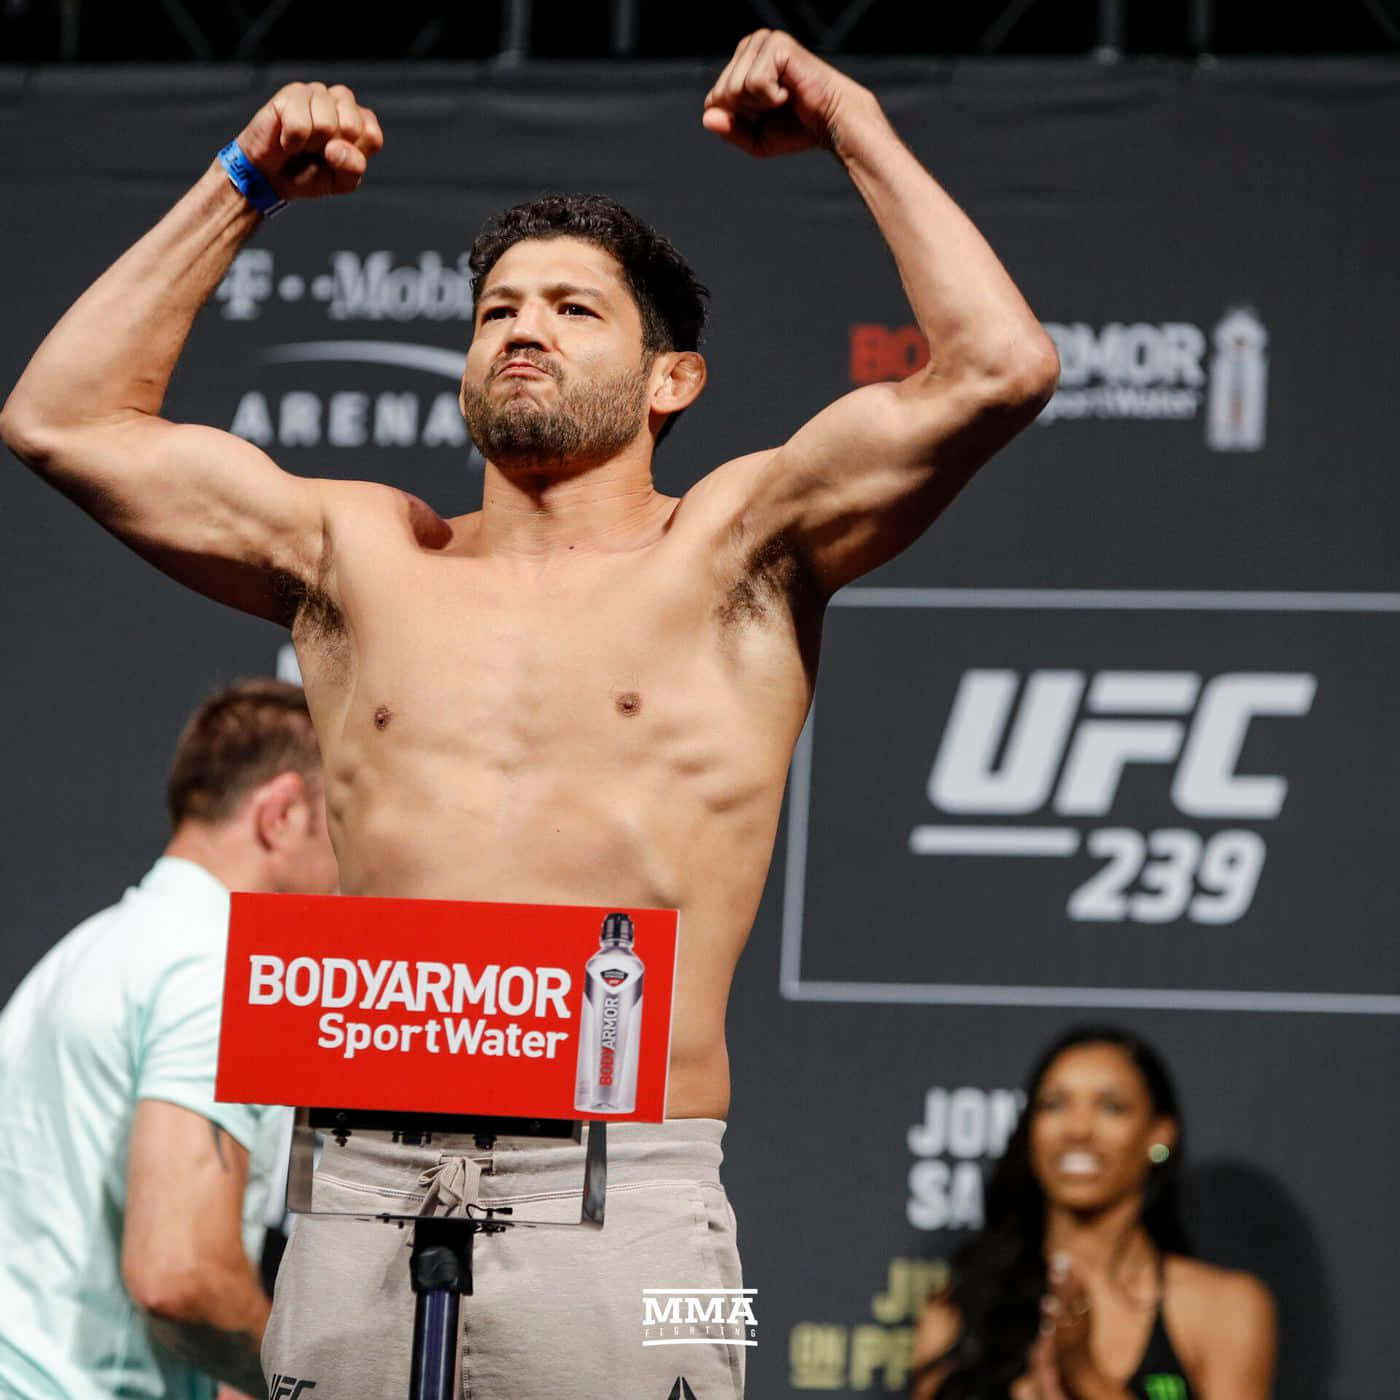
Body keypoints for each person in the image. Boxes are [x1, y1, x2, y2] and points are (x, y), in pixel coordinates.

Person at [0, 28, 1060, 1400]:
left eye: (574, 308)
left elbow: (1000, 368)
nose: (522, 327)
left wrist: (854, 120)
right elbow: (58, 419)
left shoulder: (736, 551)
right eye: (499, 306)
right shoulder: (360, 558)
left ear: (671, 379)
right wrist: (239, 187)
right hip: (354, 1189)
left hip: (635, 1195)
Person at [0, 680, 338, 1400]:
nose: (360, 870)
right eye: (346, 826)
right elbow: (179, 1275)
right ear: (282, 814)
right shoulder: (217, 967)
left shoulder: (88, 951)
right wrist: (316, 1390)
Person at [909, 1026, 1277, 1400]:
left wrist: (1085, 1376)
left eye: (1111, 1107)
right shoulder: (956, 1313)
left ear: (1160, 1135)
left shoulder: (1224, 1309)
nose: (1078, 1129)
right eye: (1054, 1104)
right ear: (1030, 1131)